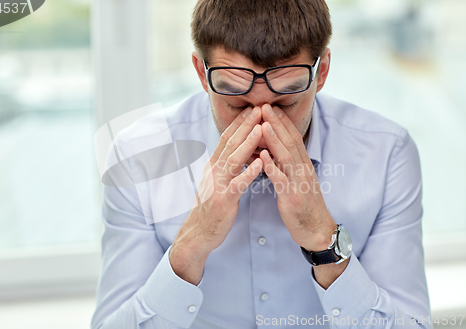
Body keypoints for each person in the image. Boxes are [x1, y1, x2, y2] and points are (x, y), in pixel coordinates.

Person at [91, 0, 432, 328]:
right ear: (200, 71)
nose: (261, 126)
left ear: (322, 71)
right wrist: (194, 241)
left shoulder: (386, 153)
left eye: (285, 103)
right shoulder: (138, 157)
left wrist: (323, 239)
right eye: (237, 104)